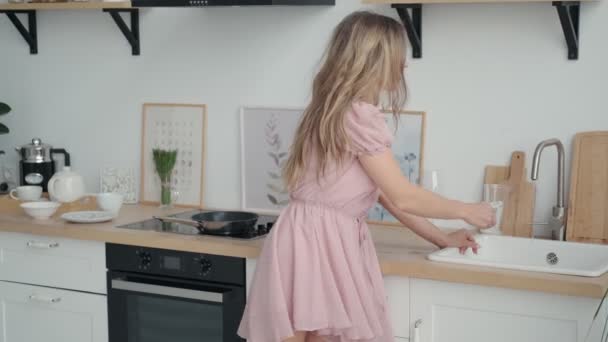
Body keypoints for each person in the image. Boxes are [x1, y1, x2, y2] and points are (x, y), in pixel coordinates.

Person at [238, 11, 495, 342]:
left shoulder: (332, 108)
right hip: (318, 242)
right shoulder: (358, 116)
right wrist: (467, 209)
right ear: (375, 60)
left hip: (307, 238)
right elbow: (403, 195)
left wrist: (442, 239)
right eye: (398, 57)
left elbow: (388, 197)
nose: (405, 66)